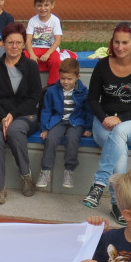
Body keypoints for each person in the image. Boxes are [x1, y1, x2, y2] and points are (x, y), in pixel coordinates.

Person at [82, 22, 131, 225]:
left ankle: (99, 182)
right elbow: (92, 99)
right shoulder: (102, 64)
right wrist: (105, 118)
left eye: (125, 42)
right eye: (116, 42)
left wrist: (121, 119)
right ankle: (118, 204)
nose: (120, 47)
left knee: (121, 131)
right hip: (104, 123)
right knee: (119, 147)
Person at [0, 22, 42, 204]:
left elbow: (34, 97)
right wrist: (2, 116)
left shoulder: (31, 66)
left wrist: (12, 115)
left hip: (25, 115)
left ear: (24, 44)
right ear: (4, 43)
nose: (14, 46)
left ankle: (26, 176)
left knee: (15, 131)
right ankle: (0, 188)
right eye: (10, 42)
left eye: (18, 42)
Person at [37, 57, 90, 191]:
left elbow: (89, 111)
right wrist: (44, 128)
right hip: (58, 121)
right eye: (62, 78)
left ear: (77, 77)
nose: (65, 82)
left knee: (72, 139)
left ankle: (69, 171)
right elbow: (47, 110)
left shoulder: (84, 92)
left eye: (69, 79)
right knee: (51, 139)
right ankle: (46, 171)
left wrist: (88, 128)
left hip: (76, 122)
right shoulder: (52, 91)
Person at [25, 0, 63, 86]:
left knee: (56, 60)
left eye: (46, 5)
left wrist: (47, 54)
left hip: (50, 49)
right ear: (35, 6)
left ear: (52, 5)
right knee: (23, 57)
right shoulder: (32, 20)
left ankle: (52, 84)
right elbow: (28, 40)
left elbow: (57, 41)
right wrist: (32, 55)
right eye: (39, 5)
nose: (43, 8)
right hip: (35, 48)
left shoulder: (55, 20)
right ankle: (28, 83)